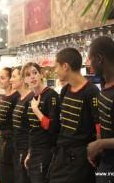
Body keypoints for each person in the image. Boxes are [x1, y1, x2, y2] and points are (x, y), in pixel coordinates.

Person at [49, 48, 99, 183]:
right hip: (61, 155)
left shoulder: (91, 91)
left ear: (65, 66)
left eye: (56, 67)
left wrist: (95, 151)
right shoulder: (65, 90)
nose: (55, 71)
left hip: (80, 158)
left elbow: (98, 125)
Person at [22, 62, 60, 183]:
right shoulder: (32, 98)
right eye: (28, 75)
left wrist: (36, 110)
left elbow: (53, 127)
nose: (32, 77)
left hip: (46, 150)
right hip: (34, 150)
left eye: (35, 73)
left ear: (41, 74)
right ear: (25, 80)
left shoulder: (51, 95)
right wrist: (29, 152)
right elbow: (32, 129)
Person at [87, 36, 114, 183]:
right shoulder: (104, 86)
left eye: (90, 60)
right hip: (105, 162)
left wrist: (100, 144)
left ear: (99, 58)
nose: (88, 65)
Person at [10, 66, 34, 183]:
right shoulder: (20, 98)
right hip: (17, 146)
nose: (11, 80)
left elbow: (33, 128)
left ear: (23, 79)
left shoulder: (31, 98)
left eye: (14, 77)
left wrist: (30, 151)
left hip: (26, 148)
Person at [0, 67, 20, 183]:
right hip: (2, 139)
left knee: (9, 175)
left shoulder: (16, 97)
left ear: (10, 80)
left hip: (11, 141)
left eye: (2, 78)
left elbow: (17, 122)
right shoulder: (5, 96)